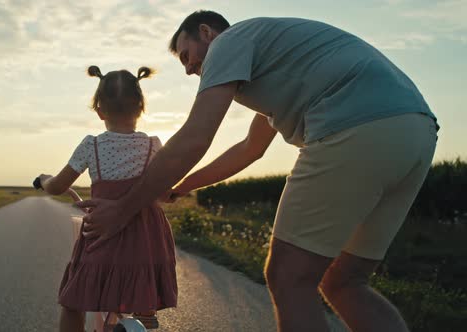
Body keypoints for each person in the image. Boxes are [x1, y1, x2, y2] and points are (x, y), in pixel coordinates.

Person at [77, 10, 439, 332]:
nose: (188, 70)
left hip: (353, 128)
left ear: (207, 33)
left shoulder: (229, 42)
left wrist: (123, 210)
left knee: (288, 278)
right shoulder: (271, 63)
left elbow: (195, 137)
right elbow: (250, 149)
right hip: (414, 132)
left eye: (186, 56)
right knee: (346, 282)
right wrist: (185, 185)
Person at [36, 65, 177, 331]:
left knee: (73, 303)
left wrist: (45, 180)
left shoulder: (92, 145)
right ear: (141, 108)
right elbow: (164, 192)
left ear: (100, 111)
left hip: (104, 236)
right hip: (146, 241)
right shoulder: (154, 145)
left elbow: (57, 186)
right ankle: (145, 320)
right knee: (143, 299)